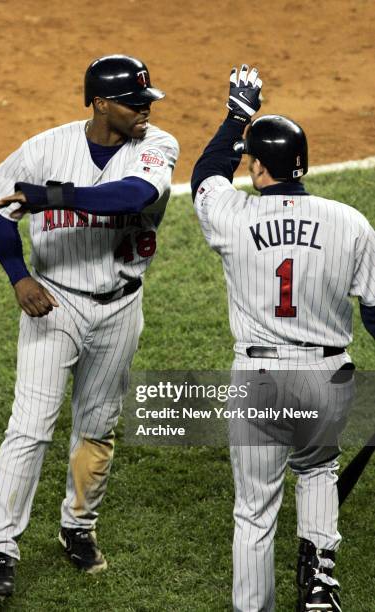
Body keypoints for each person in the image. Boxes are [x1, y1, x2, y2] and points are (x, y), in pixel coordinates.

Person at [0, 54, 179, 597]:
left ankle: (78, 529)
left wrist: (51, 196)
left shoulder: (157, 145)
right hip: (56, 302)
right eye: (135, 102)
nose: (145, 109)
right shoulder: (45, 148)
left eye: (147, 100)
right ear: (100, 103)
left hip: (120, 306)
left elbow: (132, 196)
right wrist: (19, 277)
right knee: (30, 426)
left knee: (97, 425)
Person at [191, 64, 375, 611]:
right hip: (326, 374)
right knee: (318, 470)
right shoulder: (351, 222)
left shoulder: (232, 215)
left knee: (254, 509)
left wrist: (236, 116)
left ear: (258, 167)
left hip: (257, 376)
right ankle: (319, 584)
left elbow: (207, 173)